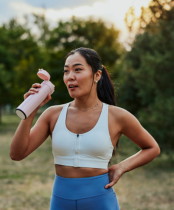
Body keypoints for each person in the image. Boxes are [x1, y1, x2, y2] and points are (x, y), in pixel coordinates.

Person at [10, 47, 161, 210]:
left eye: (78, 70)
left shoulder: (117, 116)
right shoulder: (52, 115)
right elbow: (17, 154)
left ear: (97, 75)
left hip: (101, 202)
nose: (70, 77)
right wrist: (30, 111)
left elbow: (152, 148)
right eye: (66, 71)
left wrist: (122, 167)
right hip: (60, 203)